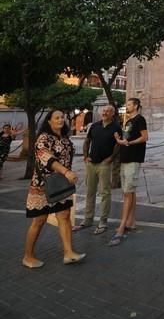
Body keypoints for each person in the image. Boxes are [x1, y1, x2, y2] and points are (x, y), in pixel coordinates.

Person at [23, 109, 86, 268]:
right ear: (49, 121)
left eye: (62, 117)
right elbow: (46, 157)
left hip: (62, 185)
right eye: (56, 117)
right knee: (39, 220)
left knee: (64, 216)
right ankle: (28, 256)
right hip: (43, 185)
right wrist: (66, 171)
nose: (60, 120)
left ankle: (69, 253)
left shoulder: (65, 138)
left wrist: (68, 173)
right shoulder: (43, 138)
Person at [73, 105, 122, 234]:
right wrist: (85, 156)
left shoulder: (116, 127)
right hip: (91, 163)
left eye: (108, 111)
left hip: (104, 164)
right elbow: (87, 141)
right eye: (104, 111)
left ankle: (103, 221)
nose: (105, 113)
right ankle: (87, 220)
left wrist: (111, 158)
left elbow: (118, 144)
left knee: (105, 193)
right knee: (90, 192)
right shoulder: (94, 126)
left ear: (113, 114)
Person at [109, 98, 148, 246]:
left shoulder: (140, 119)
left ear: (136, 106)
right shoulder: (127, 121)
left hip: (133, 158)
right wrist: (119, 140)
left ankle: (122, 225)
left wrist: (129, 143)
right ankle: (131, 221)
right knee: (130, 191)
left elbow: (145, 137)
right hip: (125, 158)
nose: (127, 106)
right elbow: (126, 139)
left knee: (127, 192)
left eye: (129, 104)